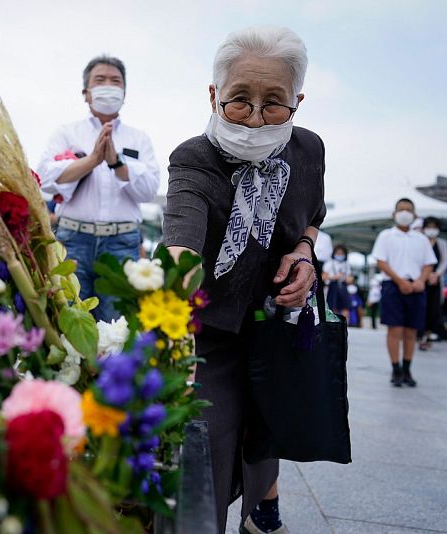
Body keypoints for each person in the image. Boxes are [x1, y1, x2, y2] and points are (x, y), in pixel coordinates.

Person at [162, 27, 324, 534]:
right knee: (201, 445)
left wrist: (304, 254)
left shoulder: (307, 150)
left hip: (272, 322)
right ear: (213, 95)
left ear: (297, 101)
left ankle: (263, 510)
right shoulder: (193, 157)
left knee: (265, 425)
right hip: (203, 325)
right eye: (239, 101)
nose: (255, 117)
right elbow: (182, 237)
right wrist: (173, 296)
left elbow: (312, 216)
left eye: (274, 103)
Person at [37, 55, 159, 322]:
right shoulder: (66, 133)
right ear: (86, 92)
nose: (108, 86)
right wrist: (92, 160)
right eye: (100, 80)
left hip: (122, 243)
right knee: (69, 319)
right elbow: (45, 179)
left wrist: (116, 163)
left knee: (118, 325)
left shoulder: (139, 138)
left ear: (124, 93)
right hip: (73, 241)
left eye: (115, 81)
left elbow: (149, 190)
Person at [371, 198, 436, 387]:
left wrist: (420, 281)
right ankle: (395, 368)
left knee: (411, 330)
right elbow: (381, 261)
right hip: (393, 286)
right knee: (395, 329)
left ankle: (407, 369)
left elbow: (429, 263)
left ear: (415, 215)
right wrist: (400, 281)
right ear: (394, 214)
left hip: (416, 287)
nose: (405, 213)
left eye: (409, 210)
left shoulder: (421, 239)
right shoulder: (386, 236)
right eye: (401, 209)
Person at [419, 216, 447, 348]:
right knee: (421, 307)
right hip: (421, 279)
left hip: (436, 281)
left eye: (434, 227)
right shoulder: (420, 241)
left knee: (434, 308)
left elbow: (444, 261)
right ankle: (420, 334)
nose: (431, 230)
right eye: (429, 227)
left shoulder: (442, 243)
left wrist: (436, 274)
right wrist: (425, 275)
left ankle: (430, 333)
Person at [322, 244, 353, 322]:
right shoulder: (329, 263)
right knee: (333, 306)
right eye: (338, 253)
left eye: (342, 253)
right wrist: (335, 277)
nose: (340, 255)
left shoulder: (347, 264)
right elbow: (323, 276)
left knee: (345, 307)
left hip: (343, 286)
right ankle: (334, 323)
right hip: (333, 285)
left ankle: (344, 323)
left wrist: (347, 279)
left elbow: (350, 278)